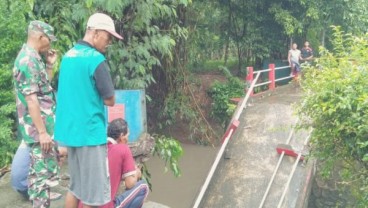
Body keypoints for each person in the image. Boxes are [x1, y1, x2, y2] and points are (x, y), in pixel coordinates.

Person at [54, 12, 123, 208]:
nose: (108, 42)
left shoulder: (68, 56)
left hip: (70, 134)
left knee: (75, 188)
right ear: (95, 32)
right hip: (90, 135)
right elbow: (110, 99)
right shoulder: (95, 59)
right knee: (96, 197)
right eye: (107, 37)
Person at [13, 20, 59, 208]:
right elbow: (31, 100)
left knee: (40, 177)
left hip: (43, 129)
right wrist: (42, 133)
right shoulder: (27, 60)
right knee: (41, 180)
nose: (50, 44)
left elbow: (42, 90)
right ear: (40, 37)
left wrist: (49, 66)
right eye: (49, 39)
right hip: (38, 132)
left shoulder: (34, 58)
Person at [79, 119, 149, 208]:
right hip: (105, 206)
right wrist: (137, 173)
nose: (128, 139)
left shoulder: (96, 147)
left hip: (83, 204)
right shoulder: (123, 149)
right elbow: (130, 183)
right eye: (127, 136)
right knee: (143, 186)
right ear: (121, 136)